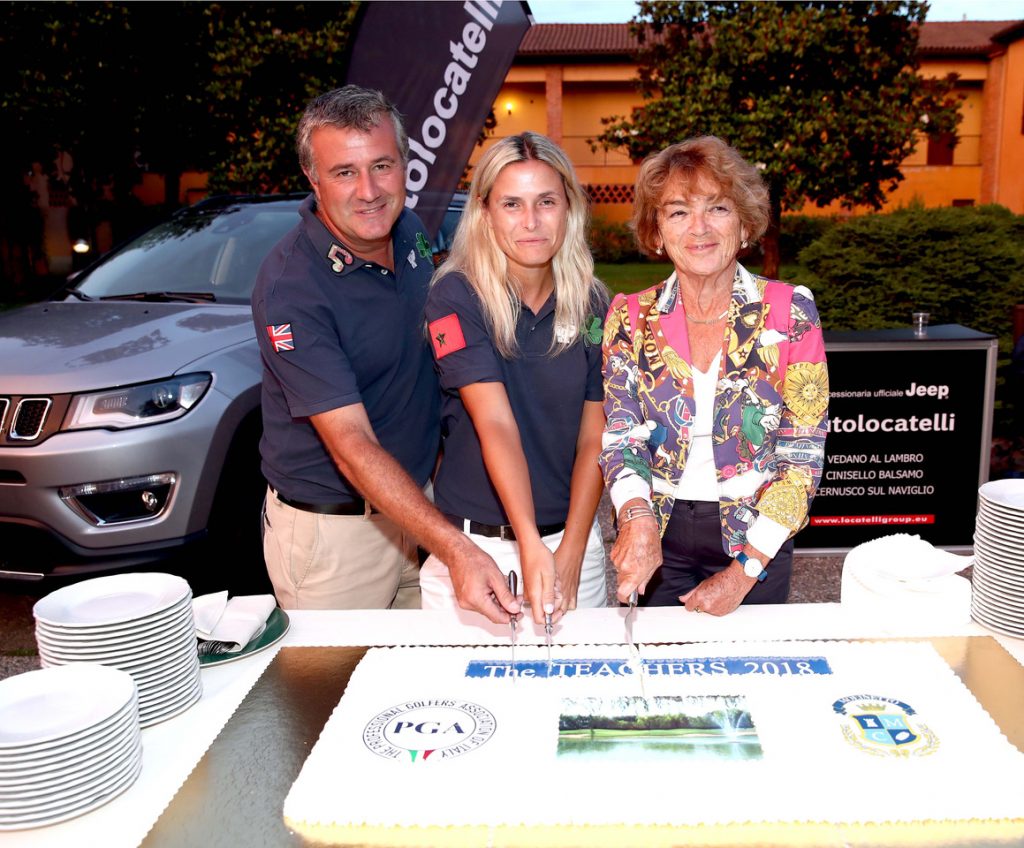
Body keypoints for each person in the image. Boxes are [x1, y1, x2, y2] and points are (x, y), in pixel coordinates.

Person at [251, 85, 516, 622]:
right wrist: (456, 546)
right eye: (345, 172)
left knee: (430, 691)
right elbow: (350, 443)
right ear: (313, 178)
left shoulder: (411, 232)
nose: (369, 190)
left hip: (419, 512)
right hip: (334, 540)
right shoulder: (290, 288)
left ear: (405, 166)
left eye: (382, 165)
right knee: (331, 696)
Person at [601, 135, 828, 615]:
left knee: (750, 671)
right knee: (660, 673)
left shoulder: (791, 312)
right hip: (657, 533)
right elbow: (622, 436)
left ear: (744, 223)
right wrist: (635, 517)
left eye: (718, 208)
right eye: (678, 211)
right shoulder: (628, 316)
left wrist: (746, 569)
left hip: (758, 533)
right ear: (656, 231)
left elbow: (802, 454)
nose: (699, 228)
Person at [419, 132, 608, 621]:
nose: (531, 222)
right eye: (512, 204)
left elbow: (595, 436)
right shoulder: (456, 296)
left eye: (546, 202)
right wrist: (529, 541)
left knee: (577, 696)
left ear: (568, 208)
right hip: (478, 551)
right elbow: (495, 425)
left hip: (573, 543)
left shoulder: (594, 304)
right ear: (484, 212)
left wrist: (570, 548)